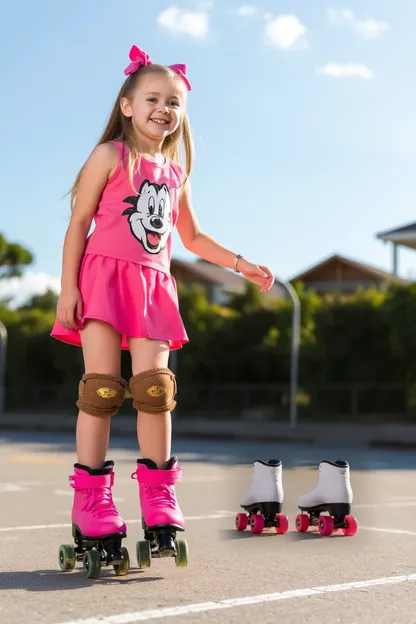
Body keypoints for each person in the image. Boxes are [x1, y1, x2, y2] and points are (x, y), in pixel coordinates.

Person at [51, 44, 275, 569]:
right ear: (127, 104)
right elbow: (78, 222)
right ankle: (92, 503)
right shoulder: (109, 155)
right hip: (102, 279)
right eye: (153, 98)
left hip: (152, 287)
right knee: (101, 390)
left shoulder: (176, 174)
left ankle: (159, 498)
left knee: (155, 391)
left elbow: (192, 237)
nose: (164, 109)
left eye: (174, 101)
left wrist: (241, 264)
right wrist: (68, 289)